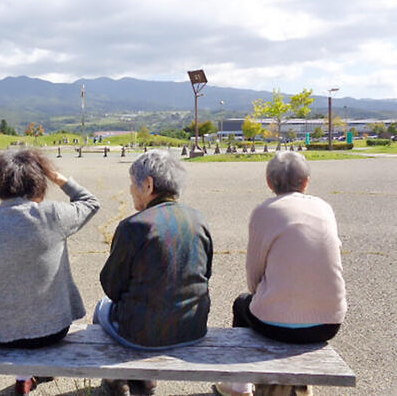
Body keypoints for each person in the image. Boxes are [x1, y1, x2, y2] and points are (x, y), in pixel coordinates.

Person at [213, 152, 347, 396]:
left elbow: (254, 275)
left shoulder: (264, 211)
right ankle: (300, 384)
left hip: (277, 326)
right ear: (306, 181)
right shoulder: (324, 208)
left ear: (269, 182)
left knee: (242, 304)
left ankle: (239, 385)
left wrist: (263, 293)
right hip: (329, 322)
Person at [0, 149, 100, 395]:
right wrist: (58, 177)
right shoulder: (52, 214)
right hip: (52, 331)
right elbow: (91, 202)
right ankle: (30, 374)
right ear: (38, 181)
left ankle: (26, 376)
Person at [96, 149, 213, 396]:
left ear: (148, 185)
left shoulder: (133, 226)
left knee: (100, 309)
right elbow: (205, 274)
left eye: (132, 184)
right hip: (193, 328)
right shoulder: (198, 220)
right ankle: (147, 380)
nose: (130, 190)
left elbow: (111, 286)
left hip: (140, 335)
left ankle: (117, 380)